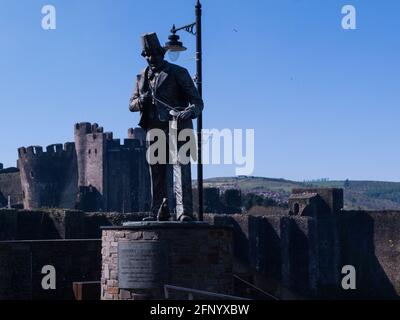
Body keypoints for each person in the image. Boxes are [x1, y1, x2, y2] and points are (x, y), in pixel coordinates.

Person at [129, 32, 204, 222]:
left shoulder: (178, 72)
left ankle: (184, 211)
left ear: (161, 53)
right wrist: (142, 101)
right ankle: (159, 211)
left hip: (177, 126)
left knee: (181, 168)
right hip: (153, 128)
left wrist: (189, 112)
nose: (151, 58)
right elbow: (131, 104)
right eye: (147, 55)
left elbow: (198, 102)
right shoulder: (140, 76)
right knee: (156, 172)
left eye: (154, 54)